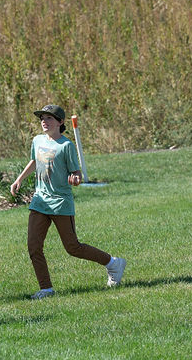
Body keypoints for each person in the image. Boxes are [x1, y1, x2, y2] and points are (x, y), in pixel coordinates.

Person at [11, 104, 126, 299]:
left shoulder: (66, 146)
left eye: (49, 118)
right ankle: (46, 288)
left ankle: (113, 263)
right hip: (40, 202)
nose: (44, 122)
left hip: (60, 203)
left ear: (60, 122)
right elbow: (33, 161)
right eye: (42, 118)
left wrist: (76, 179)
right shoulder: (37, 140)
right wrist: (19, 179)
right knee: (33, 246)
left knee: (73, 247)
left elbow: (76, 173)